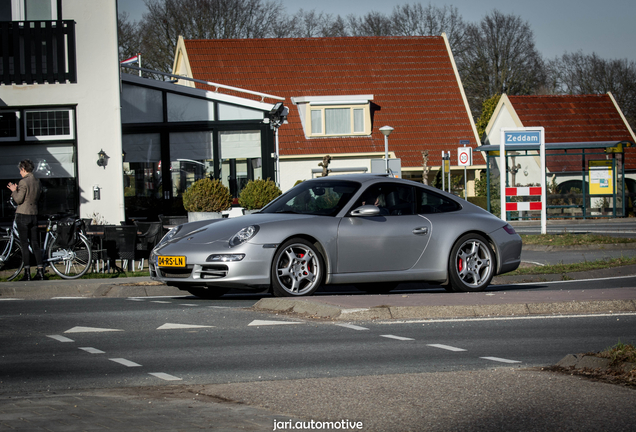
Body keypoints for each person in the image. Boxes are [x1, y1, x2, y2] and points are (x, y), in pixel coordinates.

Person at [7, 159, 46, 281]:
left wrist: (14, 191)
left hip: (23, 215)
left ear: (24, 169)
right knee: (35, 243)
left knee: (24, 244)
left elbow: (18, 200)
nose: (20, 173)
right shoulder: (37, 181)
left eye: (20, 170)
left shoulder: (23, 182)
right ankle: (40, 271)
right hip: (34, 215)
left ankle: (27, 273)